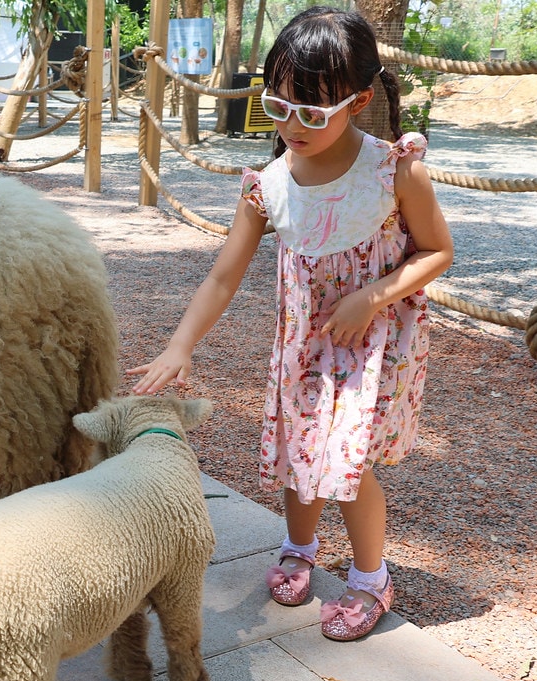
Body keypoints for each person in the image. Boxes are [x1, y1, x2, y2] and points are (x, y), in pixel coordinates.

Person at [129, 6, 454, 642]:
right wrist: (180, 345)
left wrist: (372, 297)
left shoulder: (395, 170)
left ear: (358, 102)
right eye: (278, 106)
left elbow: (438, 251)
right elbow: (223, 277)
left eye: (310, 113)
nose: (291, 126)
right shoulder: (268, 186)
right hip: (303, 346)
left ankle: (370, 579)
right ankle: (298, 547)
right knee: (299, 451)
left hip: (371, 345)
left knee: (347, 461)